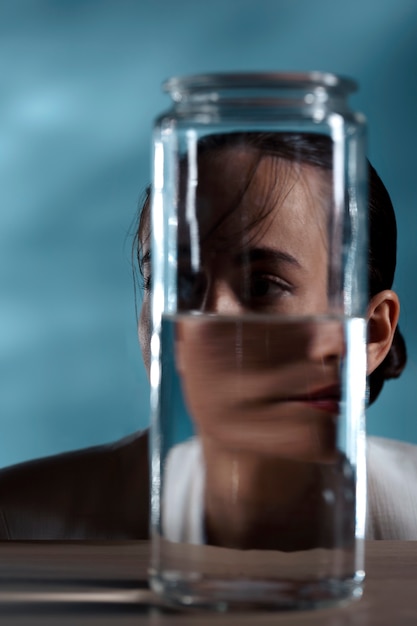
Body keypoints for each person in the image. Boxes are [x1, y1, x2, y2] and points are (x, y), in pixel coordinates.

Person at [0, 132, 416, 542]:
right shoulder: (14, 522)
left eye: (263, 285)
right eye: (174, 283)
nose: (202, 320)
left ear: (371, 334)